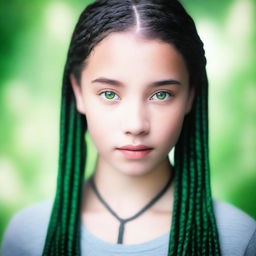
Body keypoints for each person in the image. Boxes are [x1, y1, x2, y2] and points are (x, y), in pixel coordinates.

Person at [1, 0, 256, 255]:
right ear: (78, 91)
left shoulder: (238, 238)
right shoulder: (29, 233)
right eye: (110, 94)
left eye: (162, 94)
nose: (135, 125)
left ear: (190, 96)